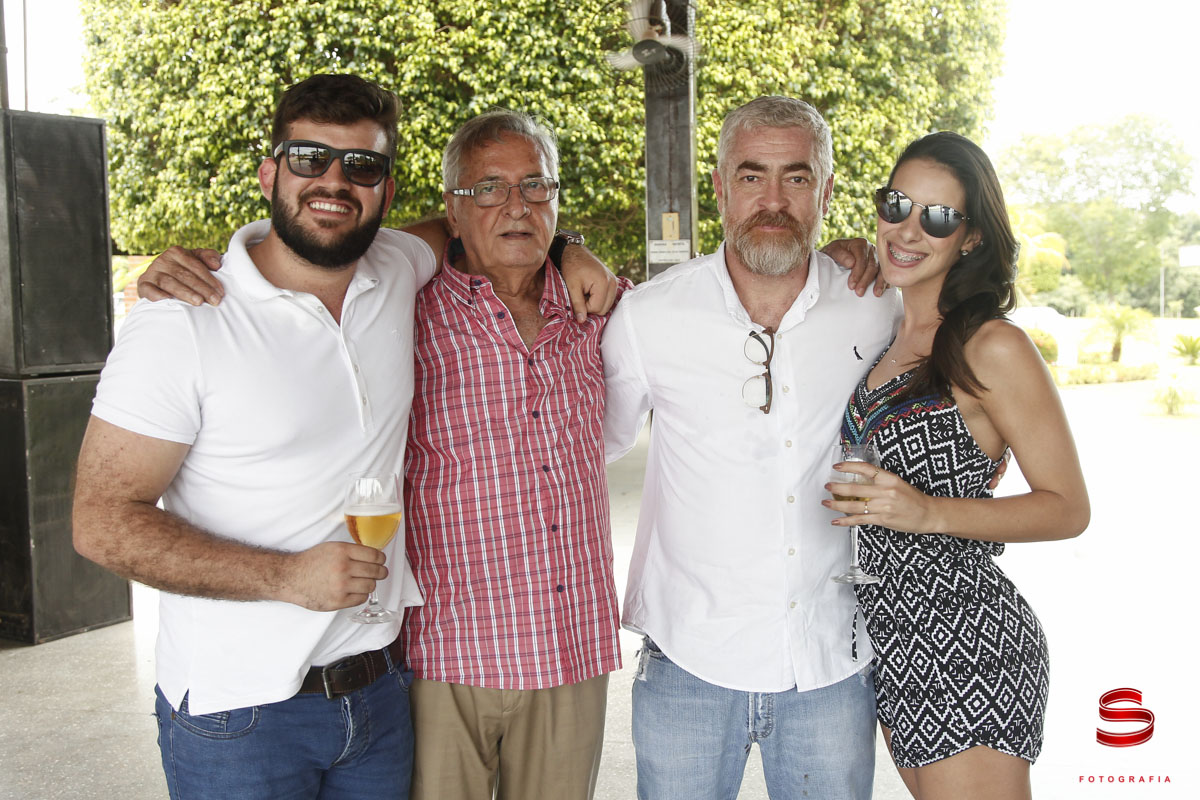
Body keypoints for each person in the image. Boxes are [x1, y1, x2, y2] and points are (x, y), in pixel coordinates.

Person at [72, 73, 430, 798]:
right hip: (239, 715)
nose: (335, 182)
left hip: (380, 693)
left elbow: (471, 224)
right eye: (309, 158)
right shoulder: (182, 322)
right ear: (270, 174)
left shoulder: (397, 265)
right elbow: (100, 522)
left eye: (362, 166)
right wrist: (285, 578)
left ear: (386, 192)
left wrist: (567, 246)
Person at [601, 96, 902, 799]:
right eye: (751, 176)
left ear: (827, 191)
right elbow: (590, 448)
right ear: (719, 187)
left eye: (796, 177)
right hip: (689, 659)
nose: (773, 200)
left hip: (830, 661)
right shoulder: (648, 316)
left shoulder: (877, 306)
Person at [825, 131, 1089, 800]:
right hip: (892, 637)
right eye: (896, 205)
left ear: (970, 238)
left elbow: (1068, 508)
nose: (908, 230)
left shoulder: (991, 345)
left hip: (966, 636)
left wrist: (927, 512)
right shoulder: (886, 328)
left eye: (938, 217)